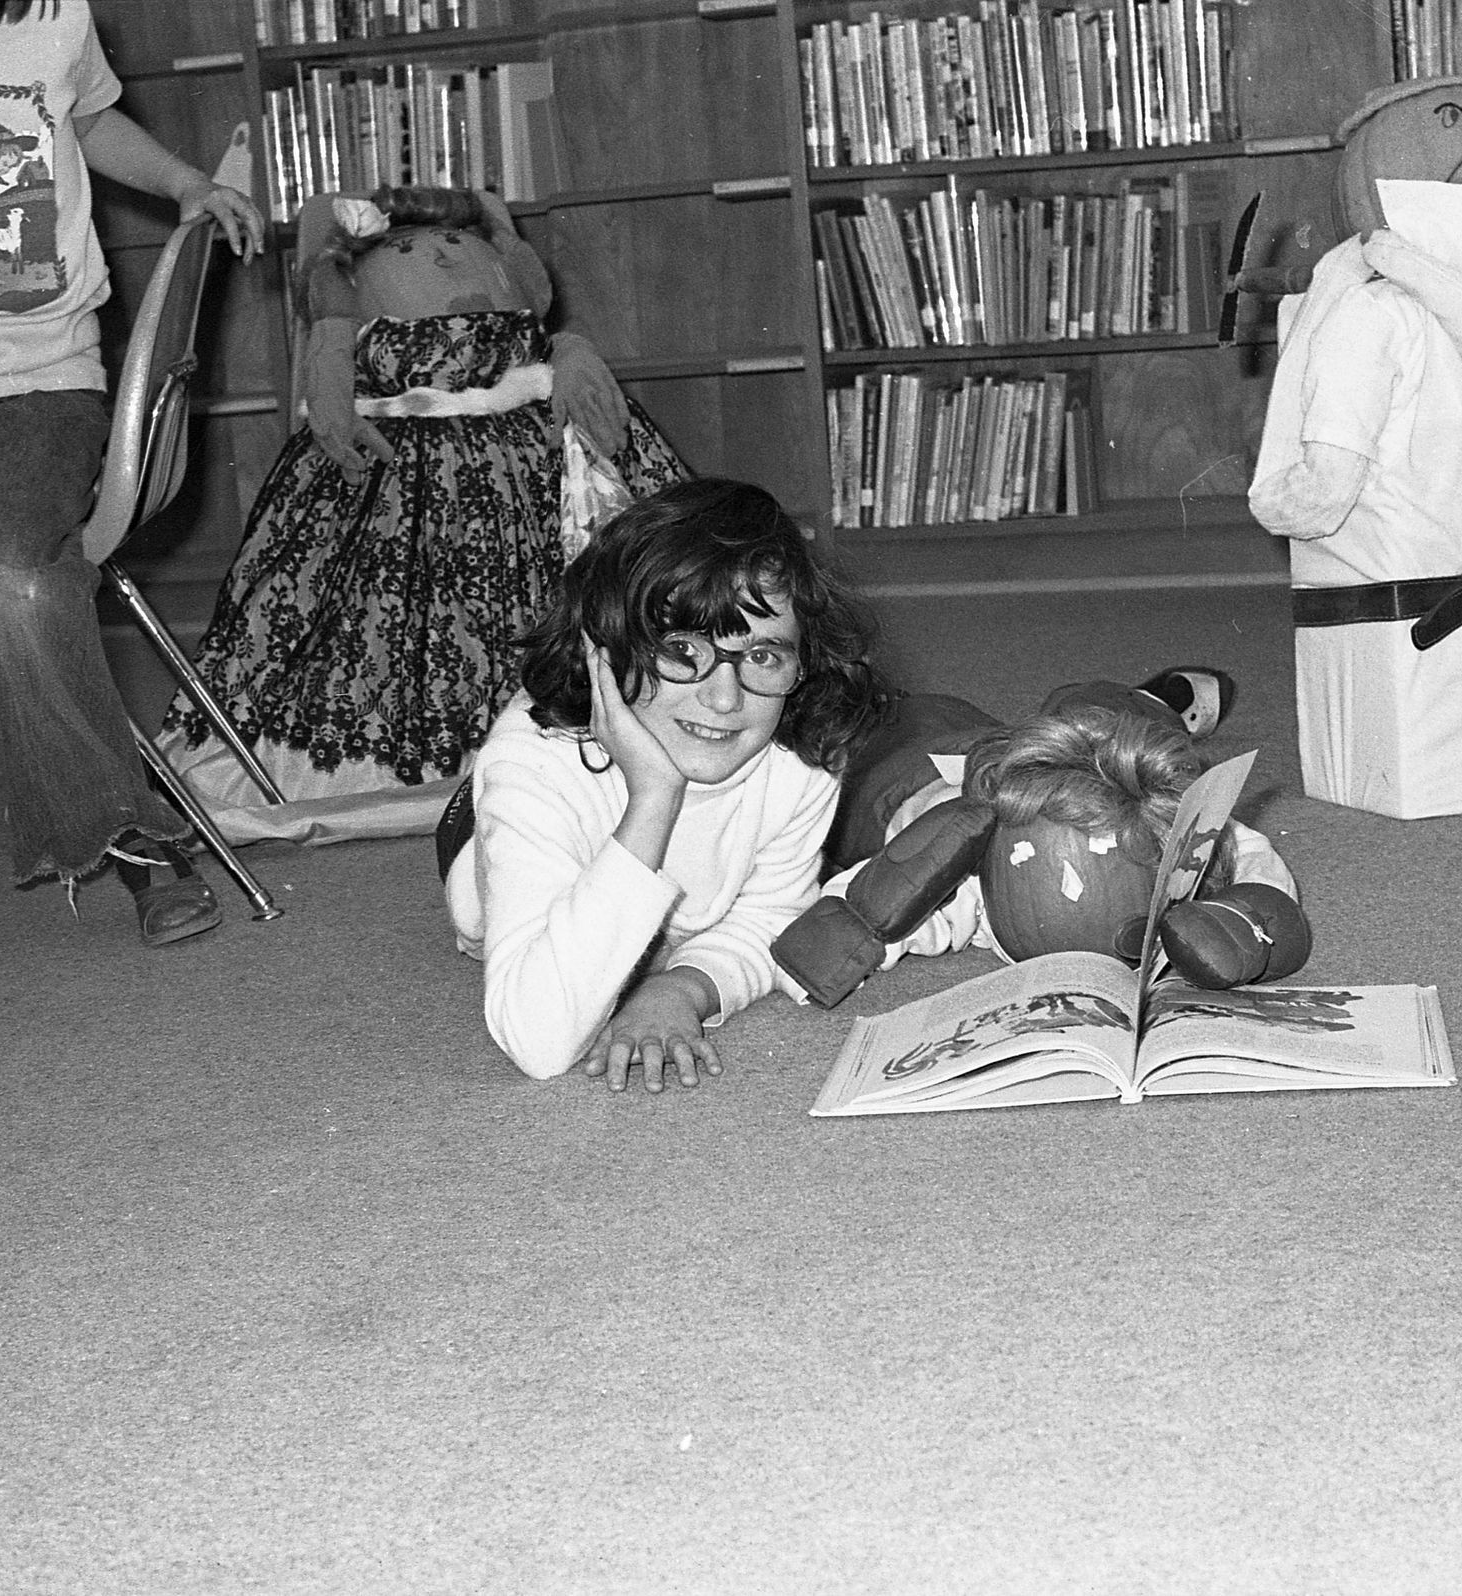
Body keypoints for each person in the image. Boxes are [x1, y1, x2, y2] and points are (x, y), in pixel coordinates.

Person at [0, 0, 266, 945]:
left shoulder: (56, 17)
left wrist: (186, 183)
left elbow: (91, 120)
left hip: (43, 385)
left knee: (8, 582)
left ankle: (129, 835)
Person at [157, 185, 690, 841]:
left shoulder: (525, 318)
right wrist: (331, 341)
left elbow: (543, 327)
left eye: (456, 243)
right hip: (395, 467)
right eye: (409, 249)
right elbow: (329, 279)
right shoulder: (354, 319)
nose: (441, 258)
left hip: (534, 454)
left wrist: (570, 352)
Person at [440, 477, 892, 1092]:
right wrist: (654, 797)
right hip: (501, 823)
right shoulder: (534, 765)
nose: (724, 698)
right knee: (486, 907)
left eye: (763, 656)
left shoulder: (802, 751)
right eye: (682, 649)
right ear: (606, 647)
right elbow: (538, 1041)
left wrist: (684, 987)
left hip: (683, 886)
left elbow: (770, 916)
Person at [772, 672, 1309, 1010]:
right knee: (845, 753)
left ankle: (1149, 699)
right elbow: (877, 896)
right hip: (896, 766)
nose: (1074, 888)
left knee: (1102, 723)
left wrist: (1240, 919)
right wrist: (839, 946)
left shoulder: (1159, 819)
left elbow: (1241, 846)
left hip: (1030, 753)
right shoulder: (970, 873)